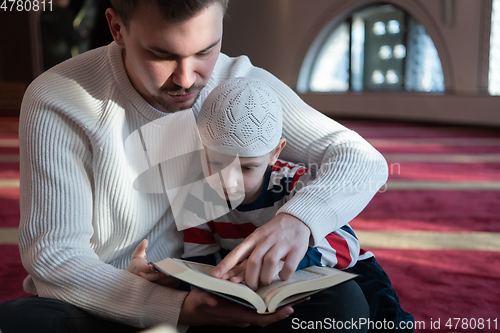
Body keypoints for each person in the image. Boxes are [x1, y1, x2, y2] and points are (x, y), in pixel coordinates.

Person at [0, 0, 394, 332]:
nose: (187, 79)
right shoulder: (59, 98)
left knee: (341, 307)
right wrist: (177, 309)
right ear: (116, 28)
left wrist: (297, 222)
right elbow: (54, 256)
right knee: (22, 322)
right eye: (161, 54)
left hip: (222, 291)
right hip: (113, 299)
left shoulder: (237, 84)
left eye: (206, 50)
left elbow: (360, 159)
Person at [127, 77, 362, 286]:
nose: (228, 181)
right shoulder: (198, 196)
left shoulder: (295, 183)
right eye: (216, 163)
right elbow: (200, 263)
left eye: (246, 168)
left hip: (339, 274)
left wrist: (290, 258)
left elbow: (347, 246)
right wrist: (163, 276)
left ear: (275, 153)